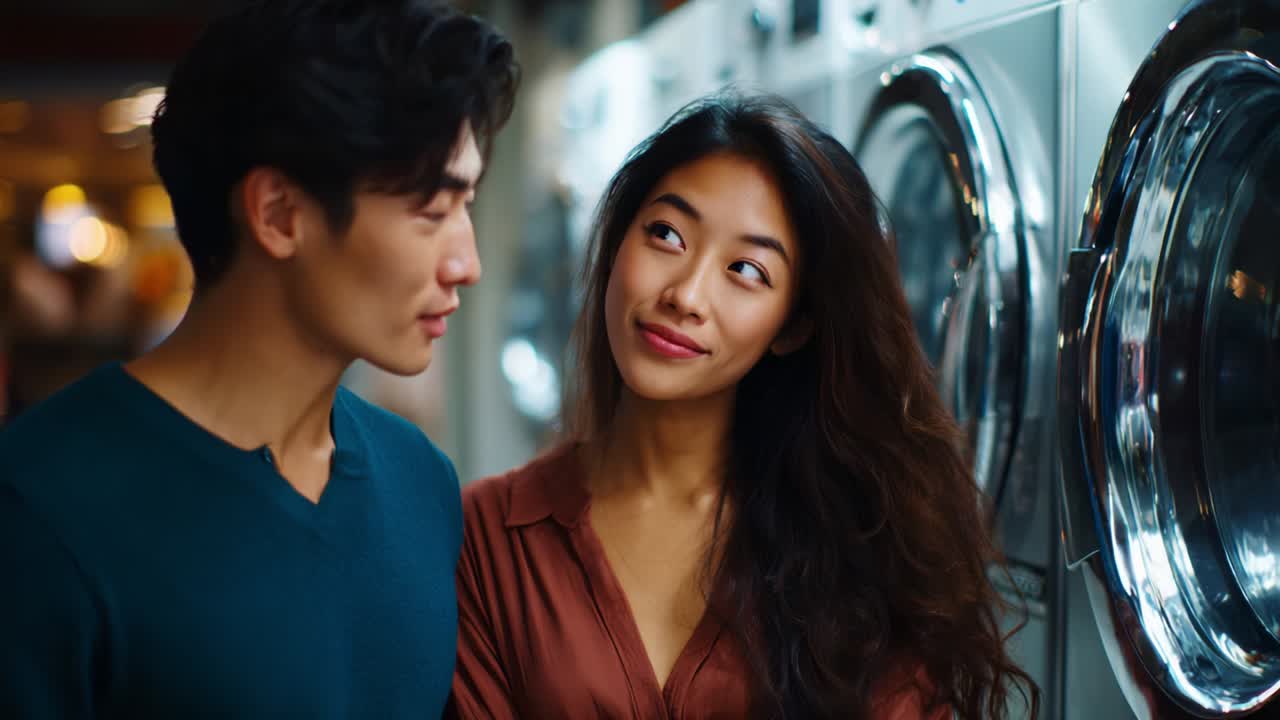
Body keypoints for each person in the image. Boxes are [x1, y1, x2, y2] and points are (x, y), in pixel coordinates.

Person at [0, 0, 517, 716]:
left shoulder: (419, 482)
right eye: (432, 212)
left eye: (468, 209)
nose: (468, 263)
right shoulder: (39, 509)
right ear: (278, 214)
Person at [450, 94, 1038, 719]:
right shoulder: (487, 535)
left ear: (793, 326)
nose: (686, 294)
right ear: (619, 240)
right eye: (667, 234)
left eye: (747, 271)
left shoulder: (859, 534)